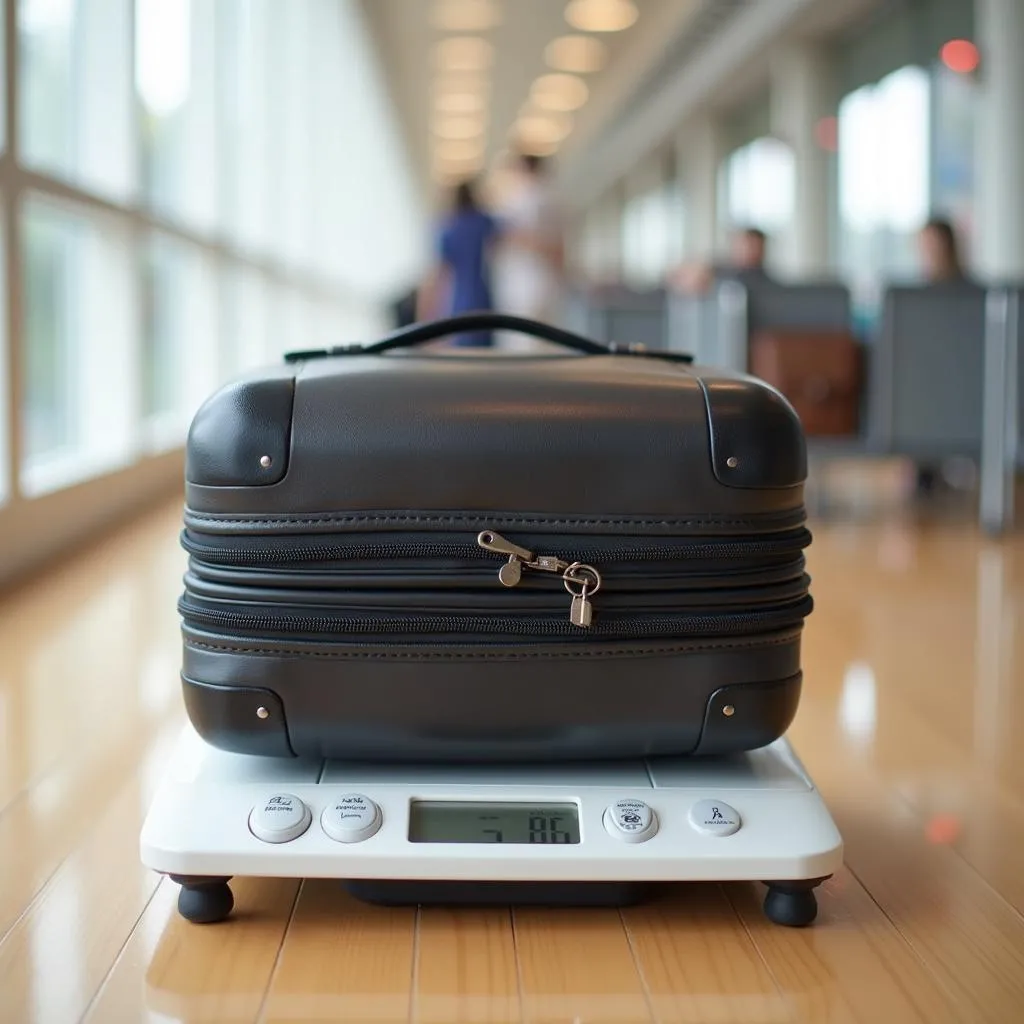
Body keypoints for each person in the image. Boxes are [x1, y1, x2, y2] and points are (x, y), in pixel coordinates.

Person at [491, 153, 566, 348]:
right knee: (544, 343)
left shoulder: (522, 199)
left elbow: (514, 237)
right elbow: (560, 247)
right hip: (544, 284)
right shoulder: (552, 198)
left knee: (523, 345)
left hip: (526, 287)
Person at [417, 179, 501, 347]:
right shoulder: (484, 222)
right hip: (483, 295)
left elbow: (438, 275)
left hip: (459, 298)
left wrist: (424, 315)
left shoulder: (447, 228)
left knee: (462, 350)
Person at [668, 227, 774, 295]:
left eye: (754, 247)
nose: (749, 252)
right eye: (744, 246)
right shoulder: (717, 270)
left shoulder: (766, 282)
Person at [917, 218, 970, 284]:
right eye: (924, 244)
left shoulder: (969, 289)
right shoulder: (922, 285)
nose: (926, 251)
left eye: (931, 244)